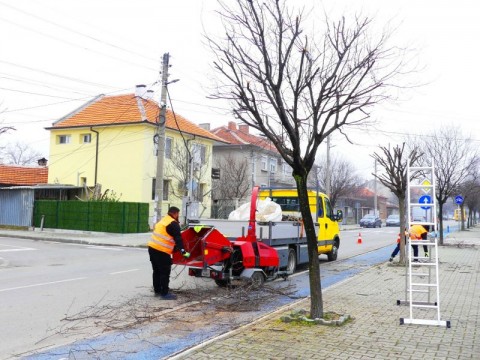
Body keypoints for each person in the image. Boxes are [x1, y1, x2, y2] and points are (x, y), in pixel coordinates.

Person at [148, 206, 190, 300]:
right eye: (178, 214)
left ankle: (157, 291)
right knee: (164, 272)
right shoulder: (173, 224)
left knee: (156, 271)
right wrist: (183, 252)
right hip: (161, 251)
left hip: (152, 248)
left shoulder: (164, 220)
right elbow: (178, 239)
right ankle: (164, 294)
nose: (178, 216)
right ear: (175, 214)